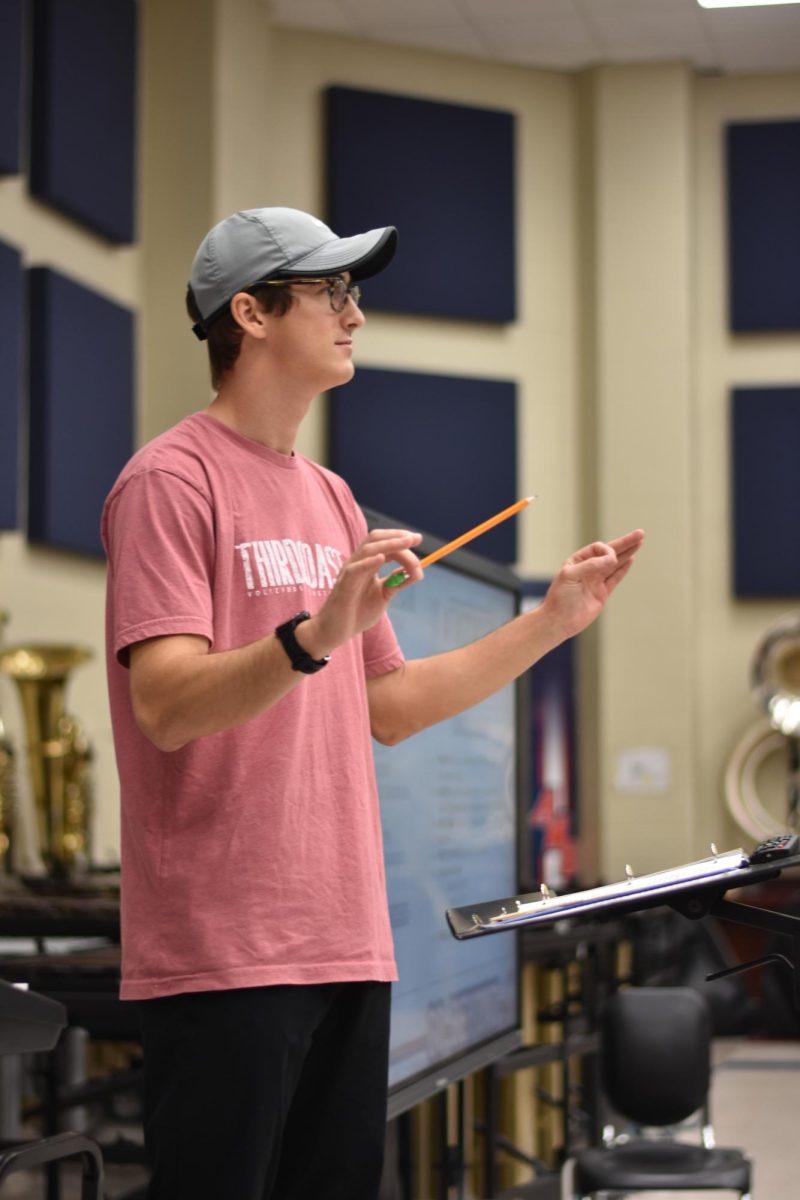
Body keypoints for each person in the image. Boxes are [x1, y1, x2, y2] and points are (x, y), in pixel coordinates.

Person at [102, 206, 644, 1200]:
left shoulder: (332, 497)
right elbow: (167, 707)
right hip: (225, 953)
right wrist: (312, 636)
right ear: (251, 313)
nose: (355, 314)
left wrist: (551, 622)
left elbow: (387, 706)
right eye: (331, 291)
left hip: (343, 933)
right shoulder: (169, 481)